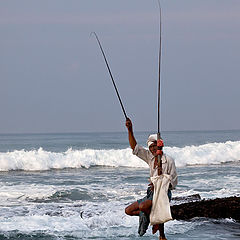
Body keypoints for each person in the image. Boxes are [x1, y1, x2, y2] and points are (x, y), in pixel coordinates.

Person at [125, 118, 178, 240]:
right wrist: (130, 130)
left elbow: (174, 182)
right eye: (151, 147)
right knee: (128, 210)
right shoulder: (150, 157)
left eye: (155, 146)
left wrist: (160, 183)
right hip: (151, 193)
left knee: (144, 206)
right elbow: (135, 148)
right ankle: (153, 219)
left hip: (164, 193)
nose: (153, 149)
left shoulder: (168, 160)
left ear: (160, 146)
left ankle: (161, 234)